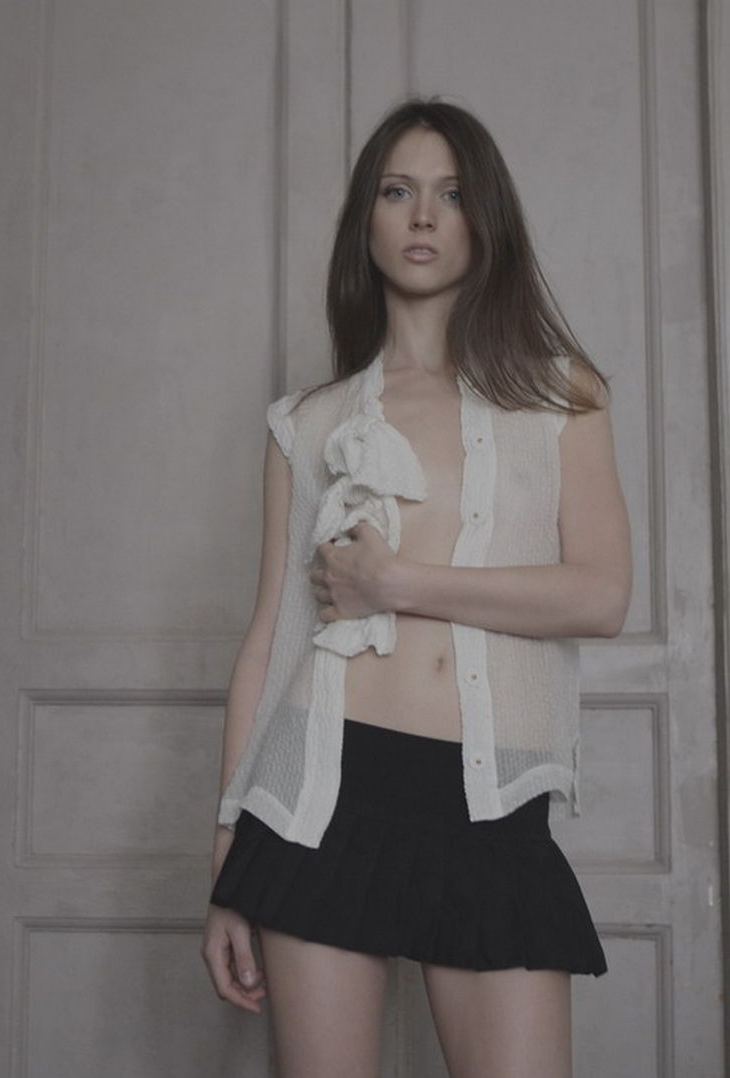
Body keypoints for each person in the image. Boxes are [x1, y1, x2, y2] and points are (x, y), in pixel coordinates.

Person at [201, 96, 632, 1078]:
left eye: (451, 194)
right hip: (316, 799)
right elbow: (268, 641)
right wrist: (225, 855)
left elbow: (600, 597)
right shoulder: (306, 423)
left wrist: (398, 581)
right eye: (397, 192)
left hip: (488, 802)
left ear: (486, 219)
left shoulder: (562, 397)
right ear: (367, 220)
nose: (425, 216)